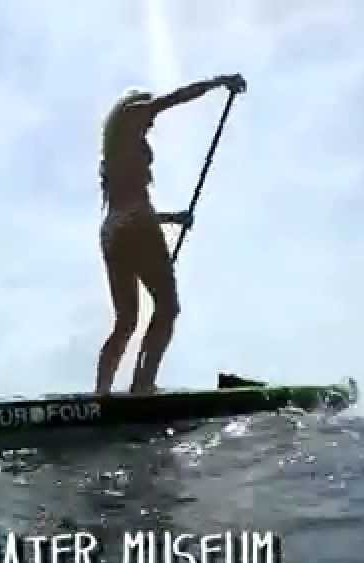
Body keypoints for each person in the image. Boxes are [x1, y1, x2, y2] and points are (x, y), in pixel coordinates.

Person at [94, 73, 247, 395]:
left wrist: (173, 219)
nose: (150, 124)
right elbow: (174, 98)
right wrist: (220, 82)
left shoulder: (115, 152)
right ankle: (143, 385)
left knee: (126, 321)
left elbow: (129, 206)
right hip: (138, 229)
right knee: (167, 307)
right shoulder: (132, 116)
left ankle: (101, 395)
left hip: (113, 233)